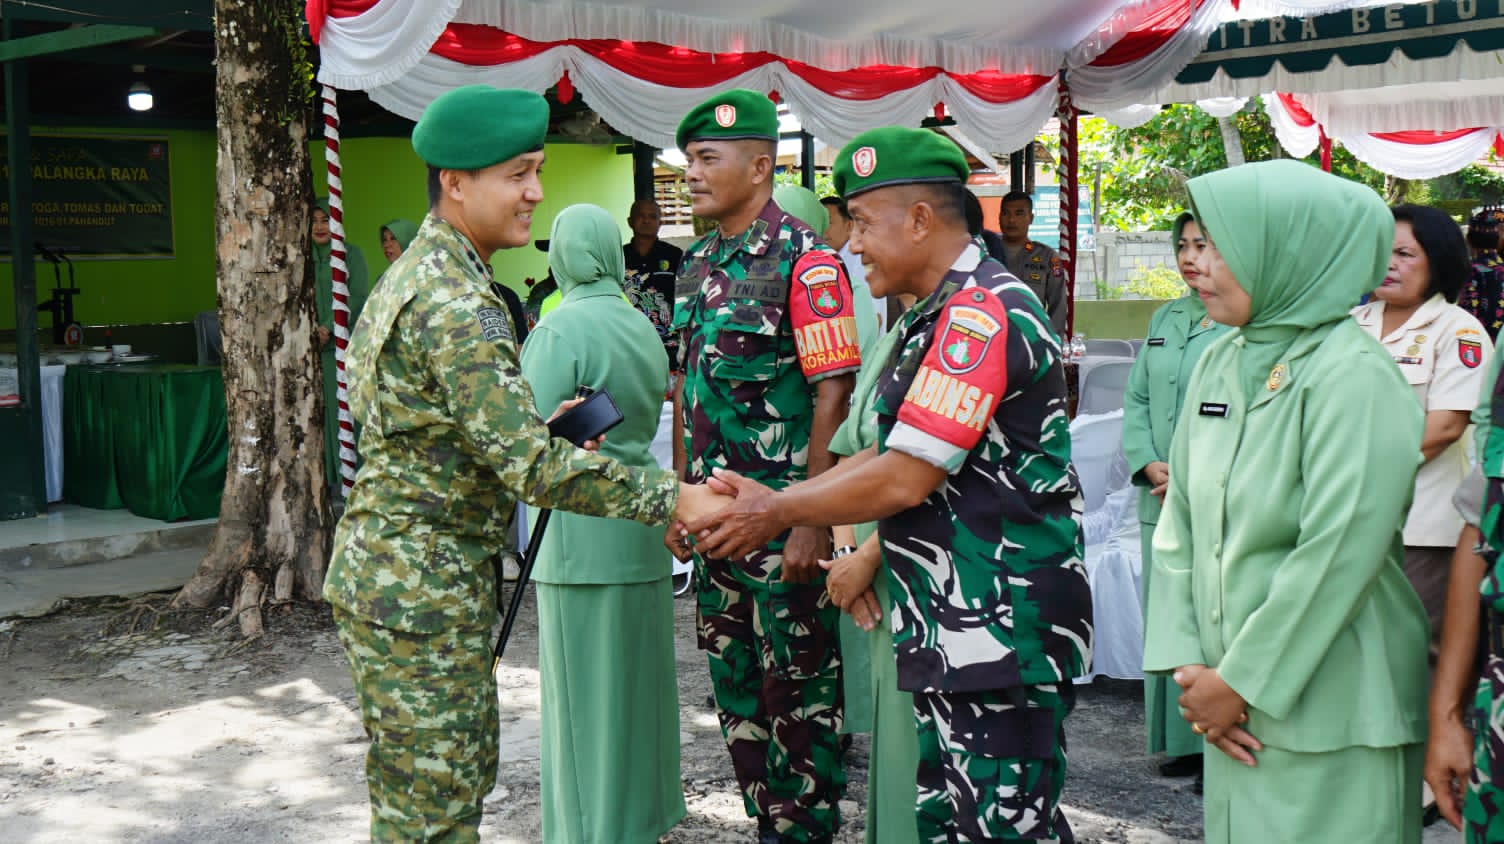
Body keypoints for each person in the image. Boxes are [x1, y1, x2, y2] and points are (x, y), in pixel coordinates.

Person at [322, 85, 727, 843]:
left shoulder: (420, 276)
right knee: (435, 811)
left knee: (430, 793)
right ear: (455, 181)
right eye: (518, 175)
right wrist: (670, 496)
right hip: (422, 588)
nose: (535, 193)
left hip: (409, 576)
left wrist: (540, 429)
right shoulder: (454, 300)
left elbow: (430, 435)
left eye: (537, 171)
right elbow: (529, 469)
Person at [686, 126, 1092, 844]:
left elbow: (906, 475)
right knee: (952, 822)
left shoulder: (981, 313)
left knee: (1000, 826)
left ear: (920, 219)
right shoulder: (928, 318)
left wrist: (775, 507)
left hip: (999, 623)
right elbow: (899, 461)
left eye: (865, 223)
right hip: (955, 622)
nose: (854, 242)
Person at [1142, 159, 1430, 843]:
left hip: (1330, 704)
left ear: (1289, 250)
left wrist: (1239, 682)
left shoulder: (1354, 375)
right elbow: (1180, 521)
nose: (1199, 263)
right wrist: (1193, 669)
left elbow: (1338, 551)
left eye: (1220, 245)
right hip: (1225, 700)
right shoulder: (1220, 357)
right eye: (1197, 244)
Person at [669, 89, 861, 844]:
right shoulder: (694, 267)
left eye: (707, 159)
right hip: (717, 530)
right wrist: (678, 503)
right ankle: (767, 828)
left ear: (760, 166)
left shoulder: (807, 266)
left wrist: (812, 518)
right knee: (738, 699)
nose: (691, 174)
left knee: (801, 706)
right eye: (687, 160)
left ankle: (804, 831)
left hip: (783, 529)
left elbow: (832, 397)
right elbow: (687, 393)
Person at [518, 203, 685, 844]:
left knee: (582, 703)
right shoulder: (643, 326)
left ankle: (592, 830)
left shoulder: (558, 331)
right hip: (641, 530)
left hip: (576, 534)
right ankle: (640, 819)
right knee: (636, 696)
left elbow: (528, 441)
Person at [1351, 204, 1492, 659]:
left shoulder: (1458, 330)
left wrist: (1356, 471)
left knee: (1412, 655)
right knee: (1359, 652)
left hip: (1420, 526)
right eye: (1380, 251)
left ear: (1439, 260)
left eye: (1405, 254)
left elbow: (1445, 426)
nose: (1388, 264)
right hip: (1345, 515)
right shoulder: (1347, 326)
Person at [1121, 211, 1231, 789]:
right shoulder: (1167, 315)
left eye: (1203, 245)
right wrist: (1146, 461)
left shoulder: (1239, 318)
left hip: (1210, 498)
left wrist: (1185, 474)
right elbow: (1136, 398)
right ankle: (1178, 739)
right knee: (1166, 615)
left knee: (1211, 615)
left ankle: (1217, 744)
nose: (1190, 257)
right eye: (1183, 245)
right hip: (1158, 497)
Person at [773, 182, 875, 742]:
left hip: (830, 479)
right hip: (813, 484)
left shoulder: (829, 282)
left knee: (826, 615)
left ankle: (836, 730)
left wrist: (821, 515)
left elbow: (840, 398)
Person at [312, 197, 370, 495]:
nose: (320, 226)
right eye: (315, 220)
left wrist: (331, 329)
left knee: (347, 417)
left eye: (326, 220)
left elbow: (358, 298)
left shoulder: (350, 255)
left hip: (342, 351)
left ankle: (357, 486)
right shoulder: (301, 257)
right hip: (311, 356)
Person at [995, 190, 1068, 337]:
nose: (1011, 220)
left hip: (1032, 339)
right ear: (999, 217)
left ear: (1031, 218)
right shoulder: (986, 251)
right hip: (992, 336)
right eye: (1006, 213)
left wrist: (1052, 344)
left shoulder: (1047, 257)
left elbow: (1058, 306)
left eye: (1019, 213)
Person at [820, 193, 886, 353]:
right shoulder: (826, 259)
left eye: (828, 222)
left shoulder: (861, 259)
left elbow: (875, 320)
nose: (822, 230)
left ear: (849, 226)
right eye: (820, 222)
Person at [623, 198, 684, 364]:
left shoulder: (675, 255)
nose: (646, 220)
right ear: (630, 221)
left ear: (660, 222)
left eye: (652, 216)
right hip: (627, 344)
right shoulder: (618, 257)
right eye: (641, 216)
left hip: (667, 346)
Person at [1462, 207, 1504, 341]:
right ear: (1498, 241)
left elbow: (1467, 314)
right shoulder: (1500, 267)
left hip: (1484, 346)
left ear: (1469, 240)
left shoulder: (1472, 271)